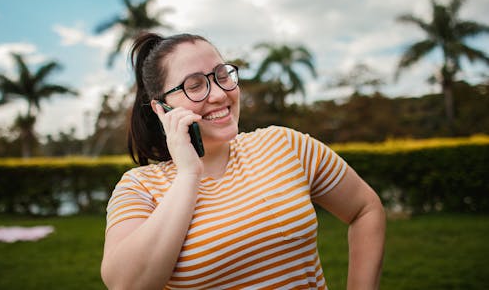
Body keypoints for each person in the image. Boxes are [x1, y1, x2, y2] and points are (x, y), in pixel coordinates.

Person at [101, 32, 385, 290]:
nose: (220, 94)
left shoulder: (285, 145)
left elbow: (365, 209)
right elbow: (127, 285)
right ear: (161, 108)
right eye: (195, 85)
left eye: (222, 75)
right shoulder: (140, 188)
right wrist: (188, 174)